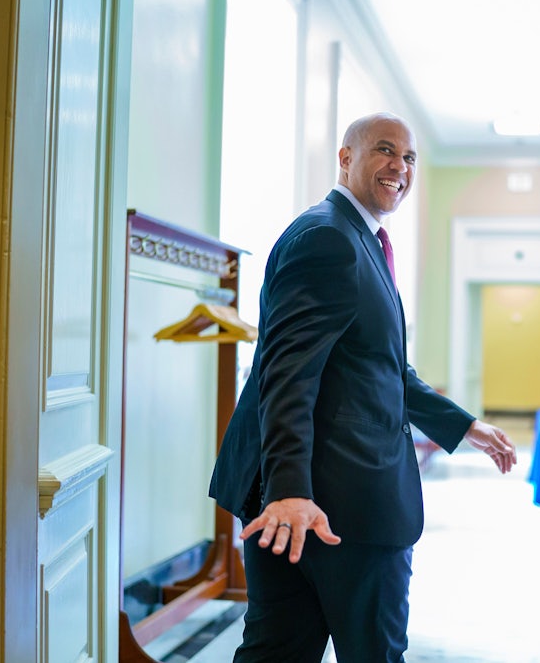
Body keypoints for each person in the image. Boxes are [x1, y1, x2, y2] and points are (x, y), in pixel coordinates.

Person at [209, 112, 517, 662]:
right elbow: (286, 372)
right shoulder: (329, 238)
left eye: (409, 157)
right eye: (384, 150)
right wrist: (288, 491)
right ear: (346, 158)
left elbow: (379, 366)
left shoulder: (358, 238)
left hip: (314, 497)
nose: (399, 166)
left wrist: (463, 424)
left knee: (278, 652)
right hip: (335, 503)